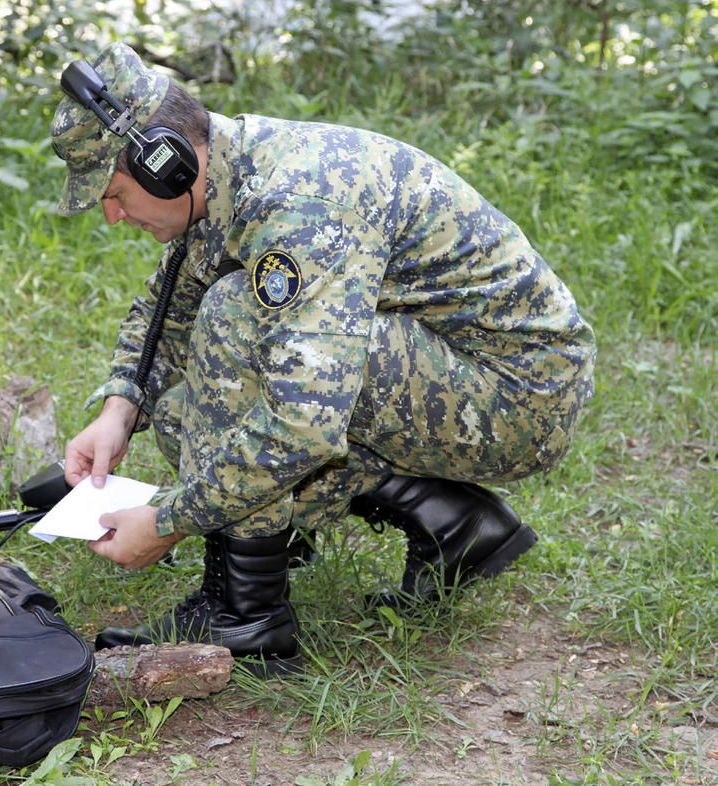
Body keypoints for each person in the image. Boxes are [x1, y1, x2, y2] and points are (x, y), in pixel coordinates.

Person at [52, 43, 596, 676]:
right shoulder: (231, 175)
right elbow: (166, 307)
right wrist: (121, 409)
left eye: (114, 194)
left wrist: (171, 519)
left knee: (237, 318)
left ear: (164, 163)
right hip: (456, 369)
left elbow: (305, 424)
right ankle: (453, 522)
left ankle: (247, 615)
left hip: (518, 398)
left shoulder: (304, 206)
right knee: (182, 412)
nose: (114, 216)